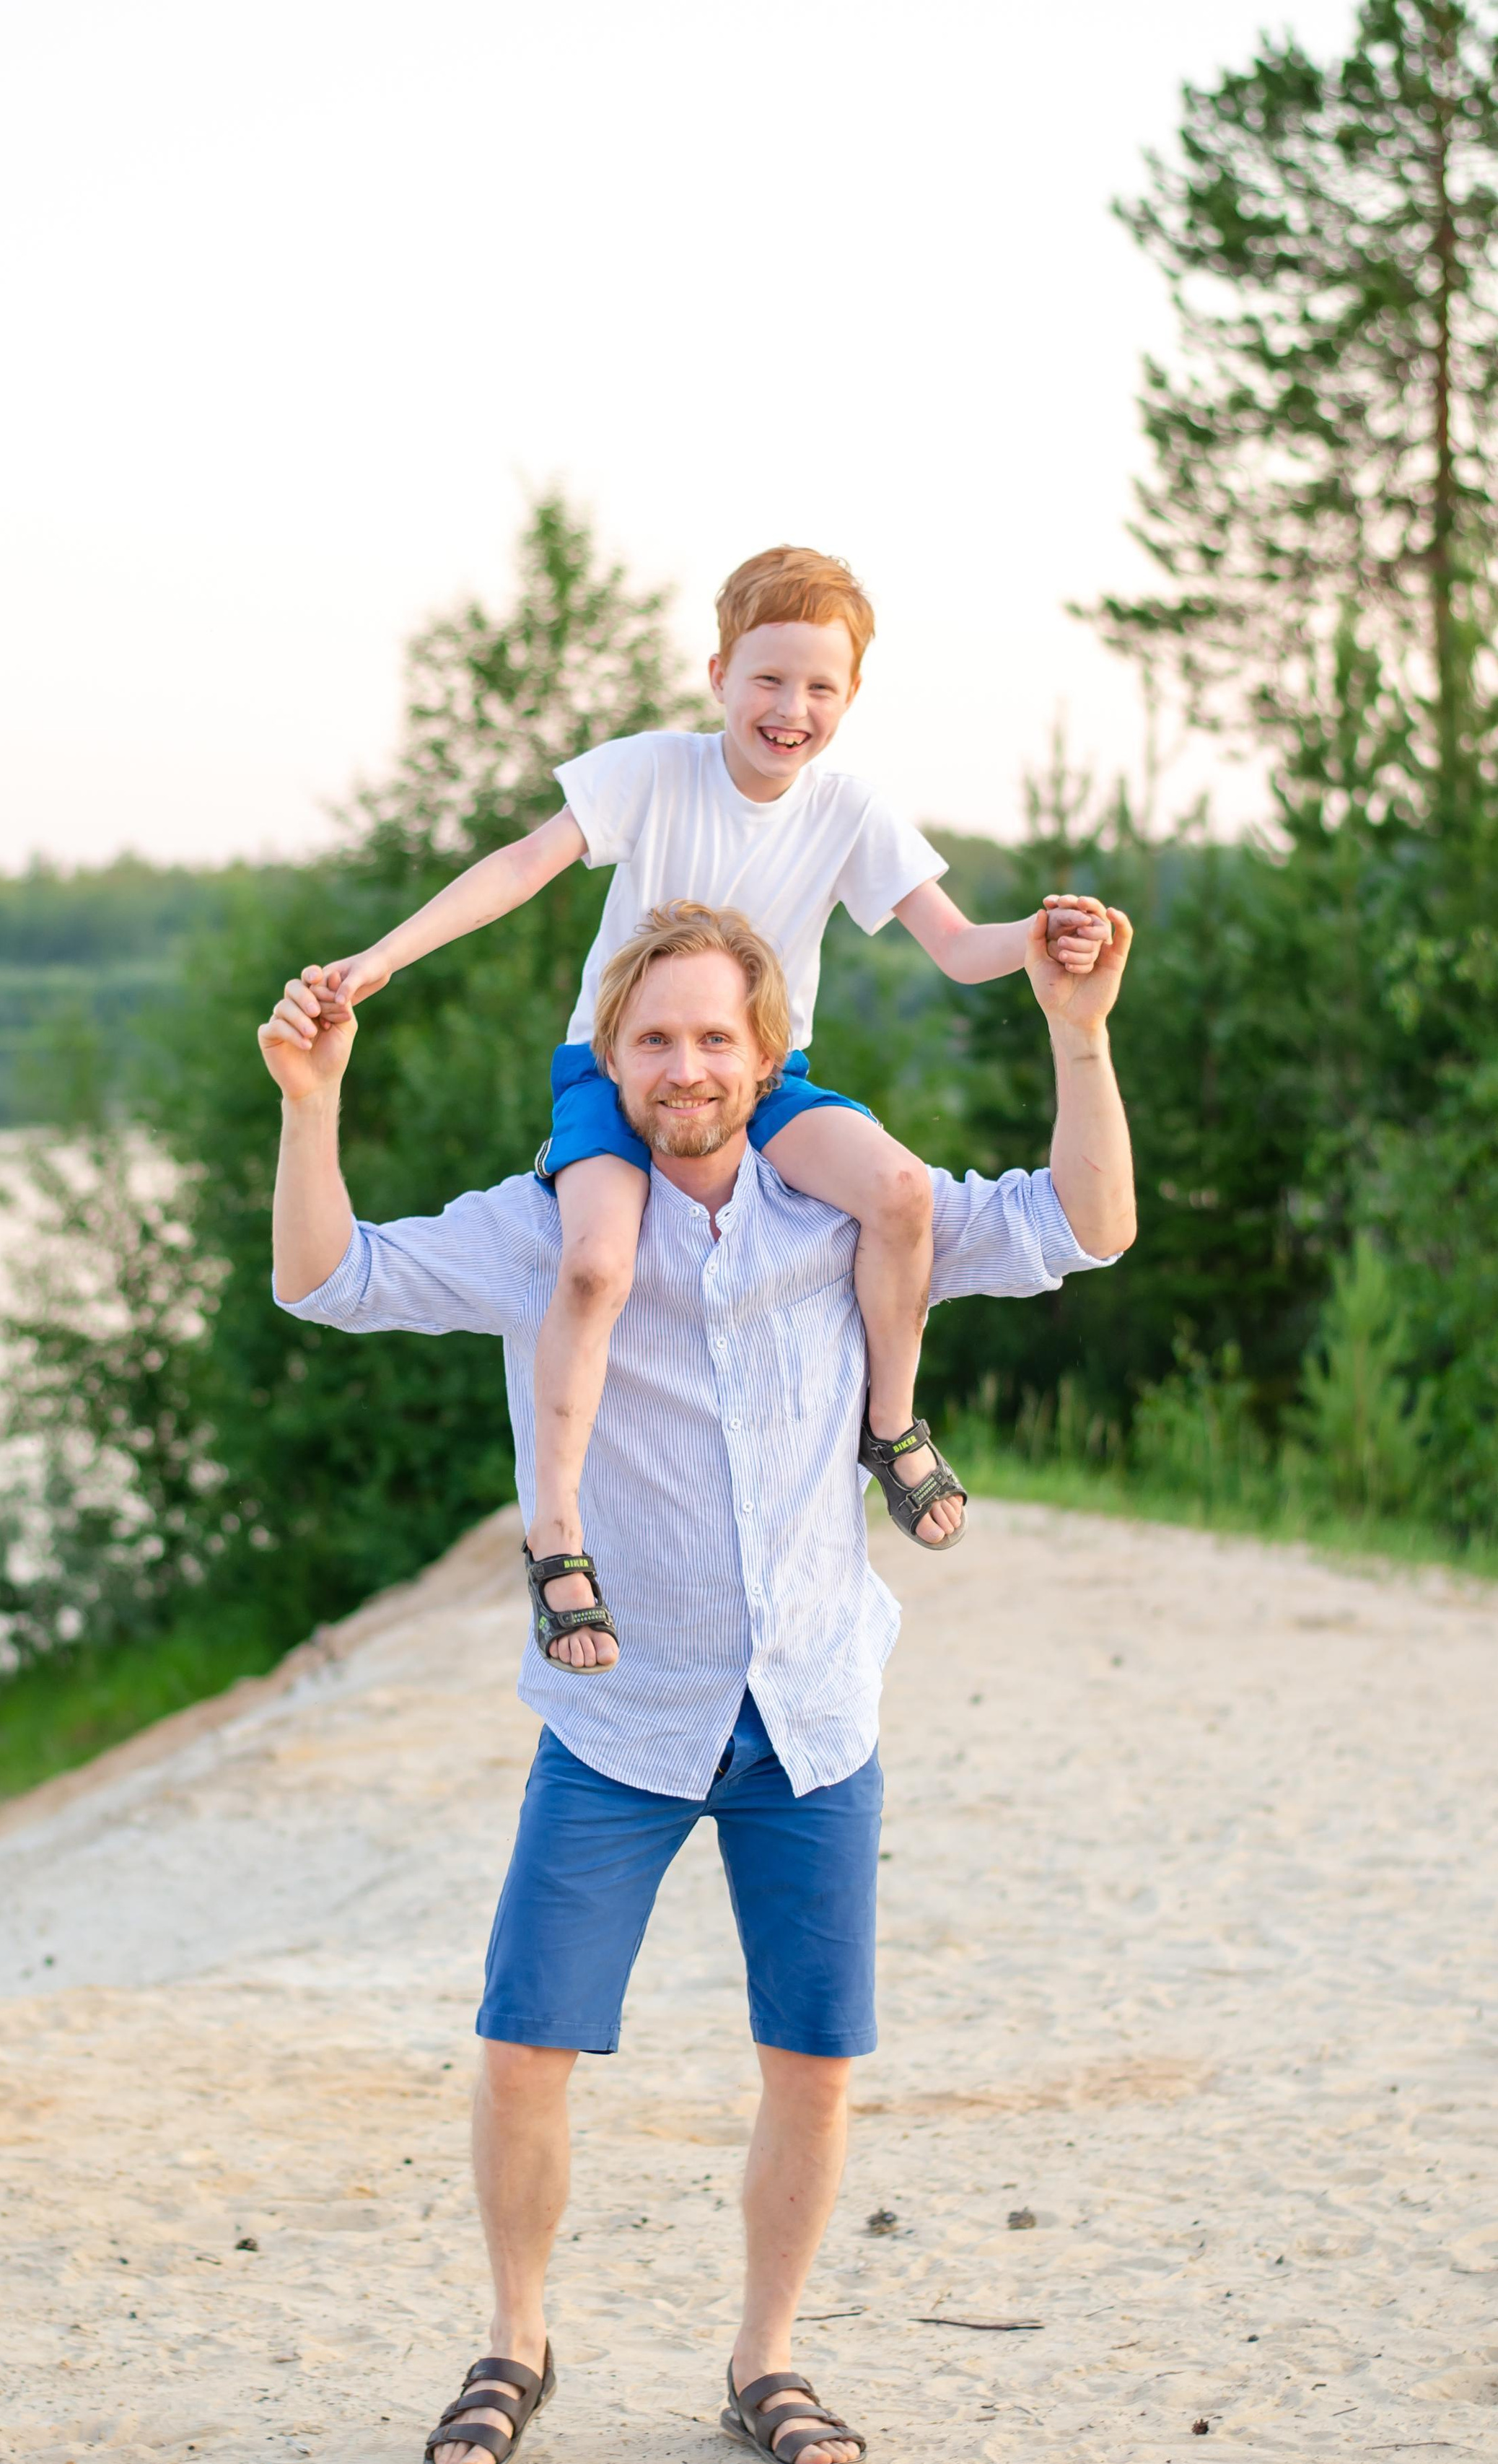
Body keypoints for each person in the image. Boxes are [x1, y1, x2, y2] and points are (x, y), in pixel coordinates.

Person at [259, 896, 1135, 2464]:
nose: (683, 1065)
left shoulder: (845, 1222)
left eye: (712, 1037)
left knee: (810, 2057)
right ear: (610, 1056)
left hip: (810, 1711)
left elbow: (1086, 1222)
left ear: (767, 1053)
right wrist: (309, 1109)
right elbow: (331, 1278)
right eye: (652, 1038)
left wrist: (1074, 1037)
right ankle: (515, 2342)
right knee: (526, 2042)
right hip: (616, 1722)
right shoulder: (550, 1232)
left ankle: (765, 2359)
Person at [304, 545, 1114, 1672]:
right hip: (617, 1065)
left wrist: (1039, 938)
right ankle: (555, 1530)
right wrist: (384, 957)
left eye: (820, 688)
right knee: (594, 1266)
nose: (792, 709)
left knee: (895, 1190)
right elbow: (526, 862)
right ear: (721, 675)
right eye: (769, 680)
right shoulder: (653, 773)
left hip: (766, 1074)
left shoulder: (848, 811)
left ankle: (891, 1427)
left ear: (850, 699)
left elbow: (956, 943)